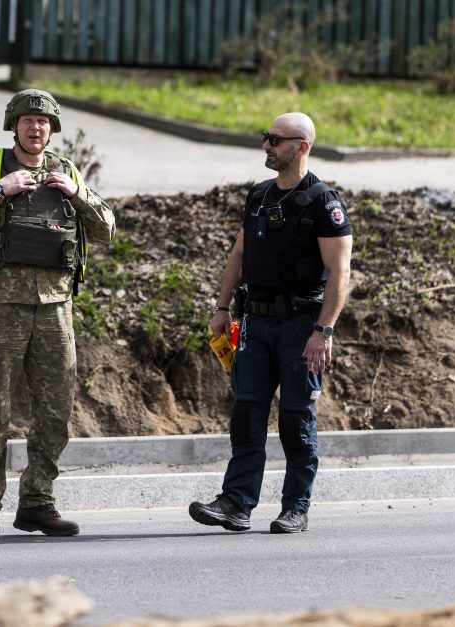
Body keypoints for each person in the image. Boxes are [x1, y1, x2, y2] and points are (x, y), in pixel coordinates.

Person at [0, 88, 116, 540]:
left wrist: (77, 194)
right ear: (13, 125)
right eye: (27, 120)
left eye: (43, 122)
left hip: (56, 308)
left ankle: (38, 502)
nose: (36, 128)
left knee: (56, 409)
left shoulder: (67, 171)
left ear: (52, 129)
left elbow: (107, 230)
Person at [189, 112, 352, 534]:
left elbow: (340, 272)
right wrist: (222, 307)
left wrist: (324, 330)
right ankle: (236, 504)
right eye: (265, 138)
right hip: (255, 324)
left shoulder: (323, 202)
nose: (266, 146)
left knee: (296, 420)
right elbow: (238, 256)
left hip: (301, 327)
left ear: (301, 146)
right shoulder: (259, 195)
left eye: (275, 140)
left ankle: (296, 506)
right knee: (247, 416)